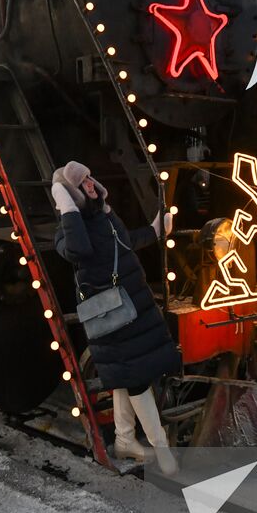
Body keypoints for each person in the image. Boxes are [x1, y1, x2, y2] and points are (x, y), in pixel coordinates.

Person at [51, 160, 181, 474]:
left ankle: (125, 440)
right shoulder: (67, 230)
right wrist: (67, 206)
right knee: (136, 382)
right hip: (113, 312)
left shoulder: (105, 217)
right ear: (69, 195)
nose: (91, 185)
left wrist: (155, 230)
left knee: (128, 376)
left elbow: (126, 243)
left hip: (133, 305)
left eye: (90, 178)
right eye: (82, 184)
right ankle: (162, 449)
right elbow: (79, 250)